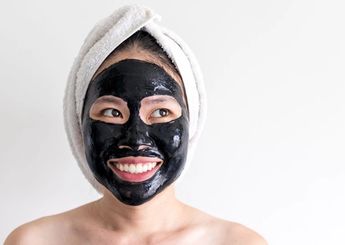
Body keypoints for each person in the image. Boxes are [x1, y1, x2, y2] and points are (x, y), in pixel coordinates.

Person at [5, 4, 267, 245]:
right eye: (111, 112)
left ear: (192, 121)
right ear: (79, 124)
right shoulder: (33, 241)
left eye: (161, 111)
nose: (135, 139)